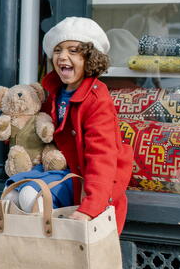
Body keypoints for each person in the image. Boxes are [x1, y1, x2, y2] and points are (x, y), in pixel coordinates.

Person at [40, 16, 133, 234]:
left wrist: (91, 207)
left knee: (30, 198)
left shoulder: (96, 98)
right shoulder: (56, 91)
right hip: (62, 171)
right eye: (58, 50)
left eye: (73, 51)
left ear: (90, 58)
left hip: (88, 182)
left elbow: (102, 155)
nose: (63, 56)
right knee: (16, 193)